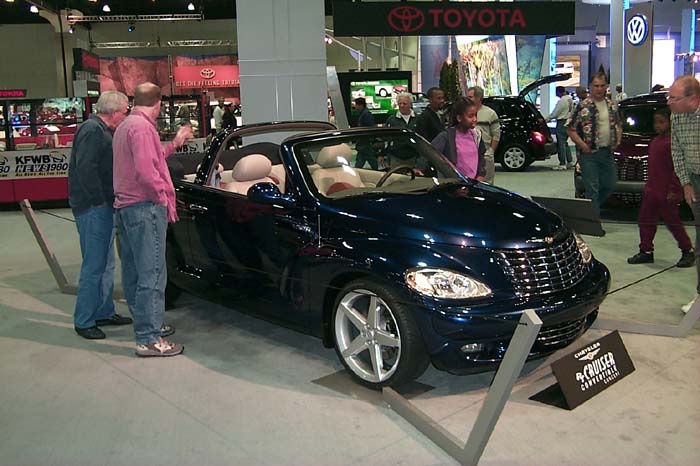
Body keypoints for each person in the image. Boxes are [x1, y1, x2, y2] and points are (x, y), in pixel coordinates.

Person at [113, 82, 194, 357]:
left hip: (126, 207)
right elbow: (147, 173)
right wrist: (162, 198)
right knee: (153, 274)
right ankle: (149, 338)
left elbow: (151, 156)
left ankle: (147, 324)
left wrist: (175, 143)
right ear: (158, 104)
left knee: (135, 271)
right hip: (145, 207)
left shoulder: (126, 125)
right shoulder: (143, 129)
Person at [68, 91, 132, 340]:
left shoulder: (101, 130)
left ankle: (104, 311)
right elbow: (85, 169)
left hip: (102, 206)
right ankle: (84, 320)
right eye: (125, 111)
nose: (126, 115)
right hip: (93, 208)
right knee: (94, 265)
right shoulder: (92, 130)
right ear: (114, 112)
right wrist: (98, 201)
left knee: (106, 263)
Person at [627, 107, 694, 267]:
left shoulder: (673, 144)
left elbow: (677, 169)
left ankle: (687, 250)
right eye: (656, 122)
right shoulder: (655, 142)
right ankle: (646, 251)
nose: (658, 126)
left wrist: (675, 190)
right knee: (645, 220)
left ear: (670, 123)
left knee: (673, 223)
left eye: (661, 122)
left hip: (667, 193)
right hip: (652, 191)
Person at [566, 71, 622, 217]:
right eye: (596, 86)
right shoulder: (583, 106)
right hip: (589, 154)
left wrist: (617, 140)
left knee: (610, 184)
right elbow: (570, 128)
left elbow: (618, 124)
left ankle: (588, 210)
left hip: (607, 152)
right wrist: (582, 144)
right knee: (592, 188)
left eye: (602, 86)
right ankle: (594, 220)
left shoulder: (611, 105)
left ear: (606, 87)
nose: (599, 89)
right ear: (590, 87)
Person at [668, 75, 700, 313]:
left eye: (674, 98)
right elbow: (677, 150)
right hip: (696, 180)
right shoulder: (676, 116)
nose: (669, 102)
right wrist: (686, 183)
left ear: (693, 99)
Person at [430, 97, 486, 182]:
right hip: (454, 185)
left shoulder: (477, 135)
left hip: (473, 184)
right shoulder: (446, 136)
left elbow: (481, 159)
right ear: (459, 118)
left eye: (475, 115)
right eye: (470, 116)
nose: (475, 119)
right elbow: (430, 152)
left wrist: (479, 177)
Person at [466, 86, 500, 184]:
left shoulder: (490, 113)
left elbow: (496, 134)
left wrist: (491, 151)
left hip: (485, 155)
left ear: (478, 98)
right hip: (469, 154)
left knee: (486, 183)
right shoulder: (465, 113)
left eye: (470, 97)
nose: (467, 99)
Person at [546, 86, 575, 170]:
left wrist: (547, 119)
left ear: (558, 92)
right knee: (565, 143)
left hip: (561, 122)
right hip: (568, 121)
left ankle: (562, 163)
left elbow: (556, 113)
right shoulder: (570, 99)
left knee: (561, 143)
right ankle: (570, 161)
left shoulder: (562, 101)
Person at [353, 97, 377, 169]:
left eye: (356, 105)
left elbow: (369, 128)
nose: (355, 106)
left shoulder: (366, 115)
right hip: (363, 143)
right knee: (364, 159)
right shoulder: (363, 114)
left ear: (360, 105)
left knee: (370, 159)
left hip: (365, 143)